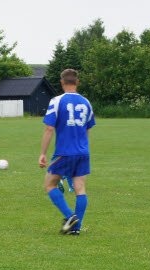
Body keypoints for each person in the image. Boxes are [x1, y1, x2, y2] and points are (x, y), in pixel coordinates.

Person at [39, 69, 95, 236]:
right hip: (83, 152)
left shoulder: (57, 101)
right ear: (77, 82)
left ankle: (70, 217)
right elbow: (88, 129)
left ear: (62, 82)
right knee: (80, 188)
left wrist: (43, 153)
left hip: (65, 152)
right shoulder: (86, 102)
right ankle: (75, 228)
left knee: (49, 184)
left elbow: (49, 128)